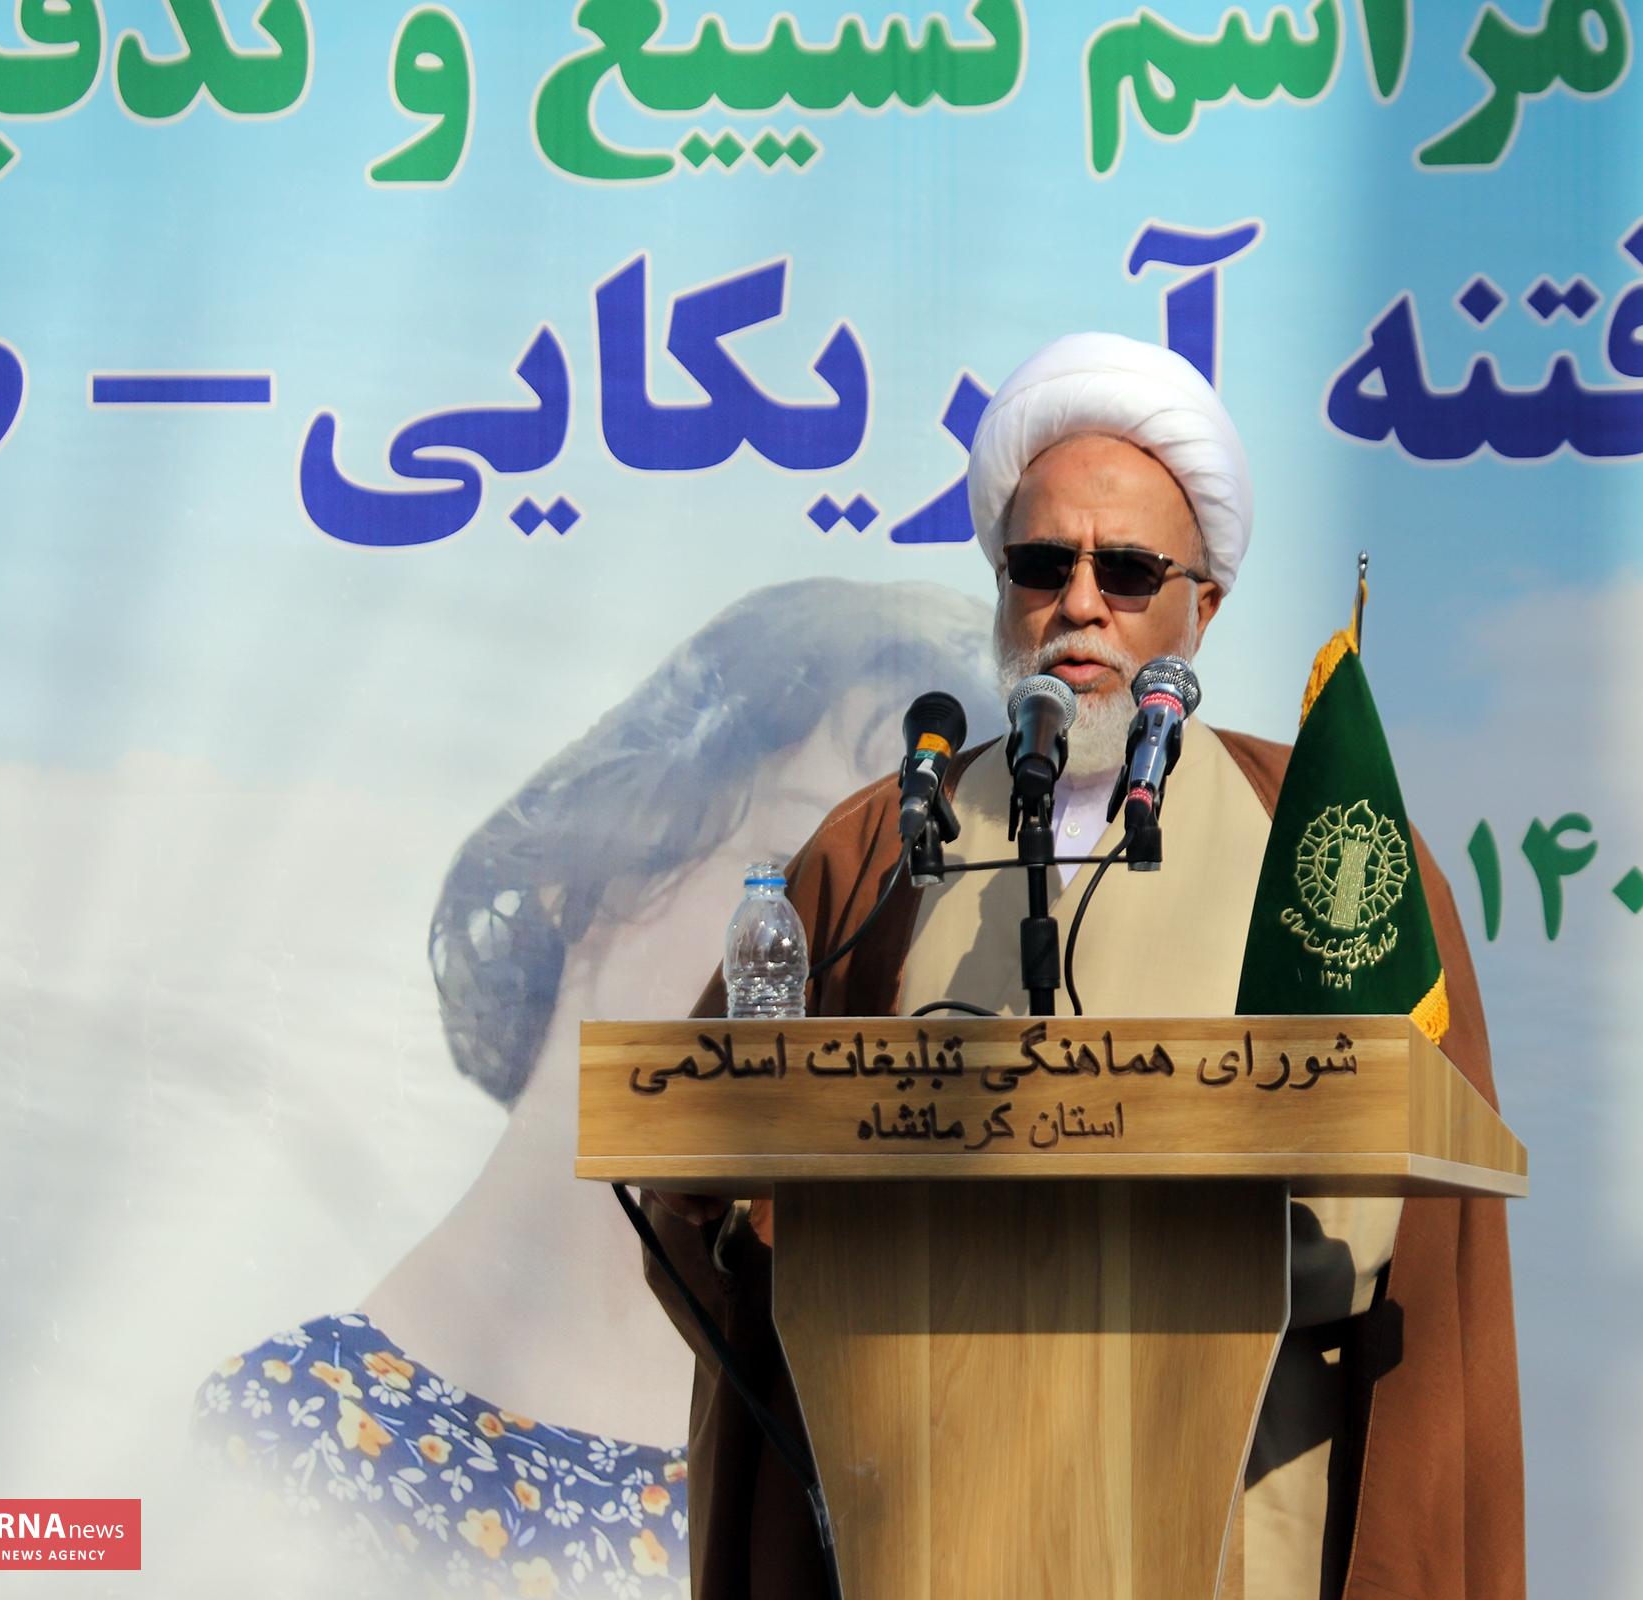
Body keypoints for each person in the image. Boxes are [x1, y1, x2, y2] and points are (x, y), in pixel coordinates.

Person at [638, 335, 1524, 1600]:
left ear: (1203, 606)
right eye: (1044, 565)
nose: (1082, 603)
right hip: (931, 1528)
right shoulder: (881, 849)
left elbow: (1406, 1236)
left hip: (1236, 1525)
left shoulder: (1322, 840)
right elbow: (714, 1182)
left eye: (1130, 570)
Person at [193, 578, 1002, 1600]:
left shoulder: (874, 1478)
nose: (823, 959)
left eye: (898, 916)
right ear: (593, 868)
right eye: (790, 864)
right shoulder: (288, 1438)